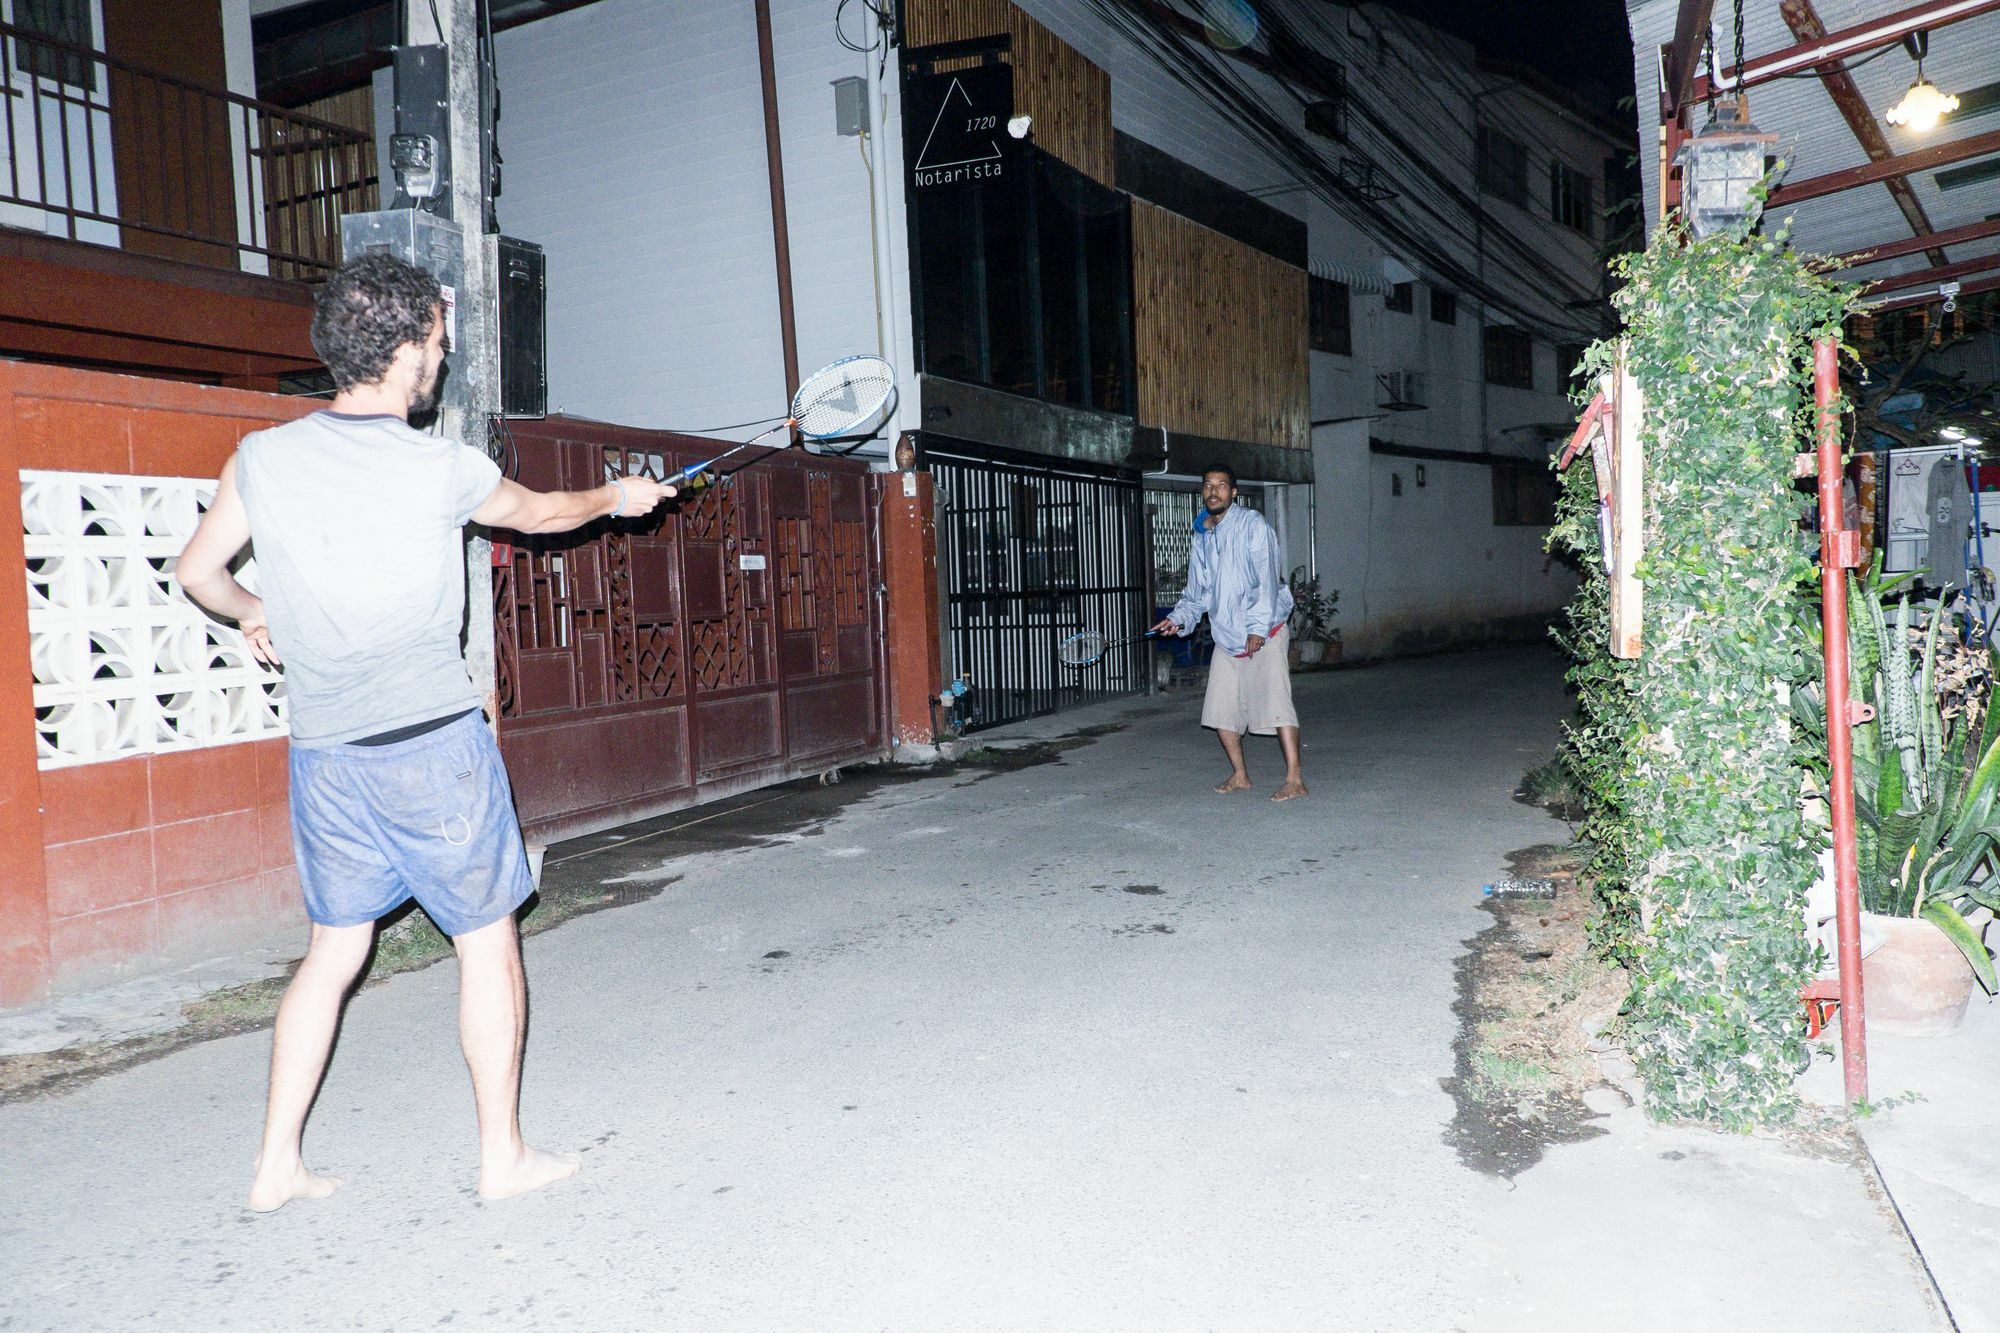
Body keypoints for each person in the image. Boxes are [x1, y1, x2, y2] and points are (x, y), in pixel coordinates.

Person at [176, 253, 676, 1211]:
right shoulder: (437, 464)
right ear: (404, 351)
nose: (441, 361)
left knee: (332, 952)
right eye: (437, 345)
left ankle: (275, 1165)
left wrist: (251, 610)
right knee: (488, 942)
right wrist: (619, 497)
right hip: (432, 748)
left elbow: (198, 570)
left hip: (325, 754)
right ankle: (504, 1158)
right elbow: (538, 515)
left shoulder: (262, 459)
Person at [1151, 465, 1307, 802]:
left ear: (1233, 492)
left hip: (1266, 629)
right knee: (1219, 709)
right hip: (1227, 635)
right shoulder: (1203, 536)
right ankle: (1240, 775)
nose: (1213, 491)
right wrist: (1178, 619)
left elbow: (1267, 581)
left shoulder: (1253, 526)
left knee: (1276, 702)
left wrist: (1257, 628)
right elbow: (1197, 593)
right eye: (1208, 485)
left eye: (1222, 485)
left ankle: (1295, 779)